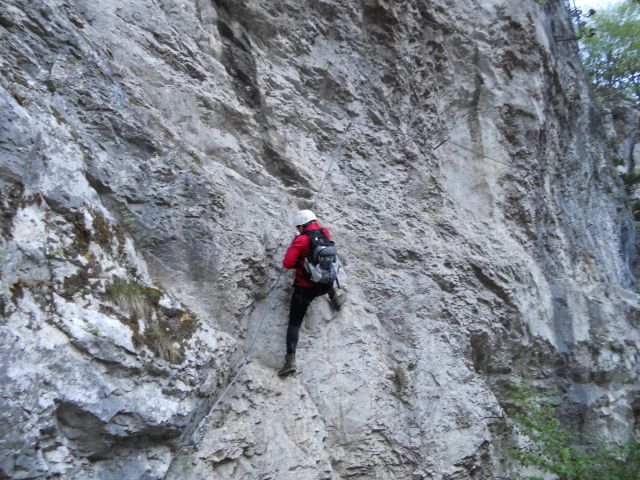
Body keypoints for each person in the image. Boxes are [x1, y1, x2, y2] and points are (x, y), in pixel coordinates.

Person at [278, 209, 345, 377]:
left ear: (301, 225)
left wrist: (298, 254)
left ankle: (290, 360)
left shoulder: (301, 239)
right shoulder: (325, 232)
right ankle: (335, 297)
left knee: (294, 323)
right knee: (325, 271)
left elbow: (287, 263)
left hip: (305, 288)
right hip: (326, 284)